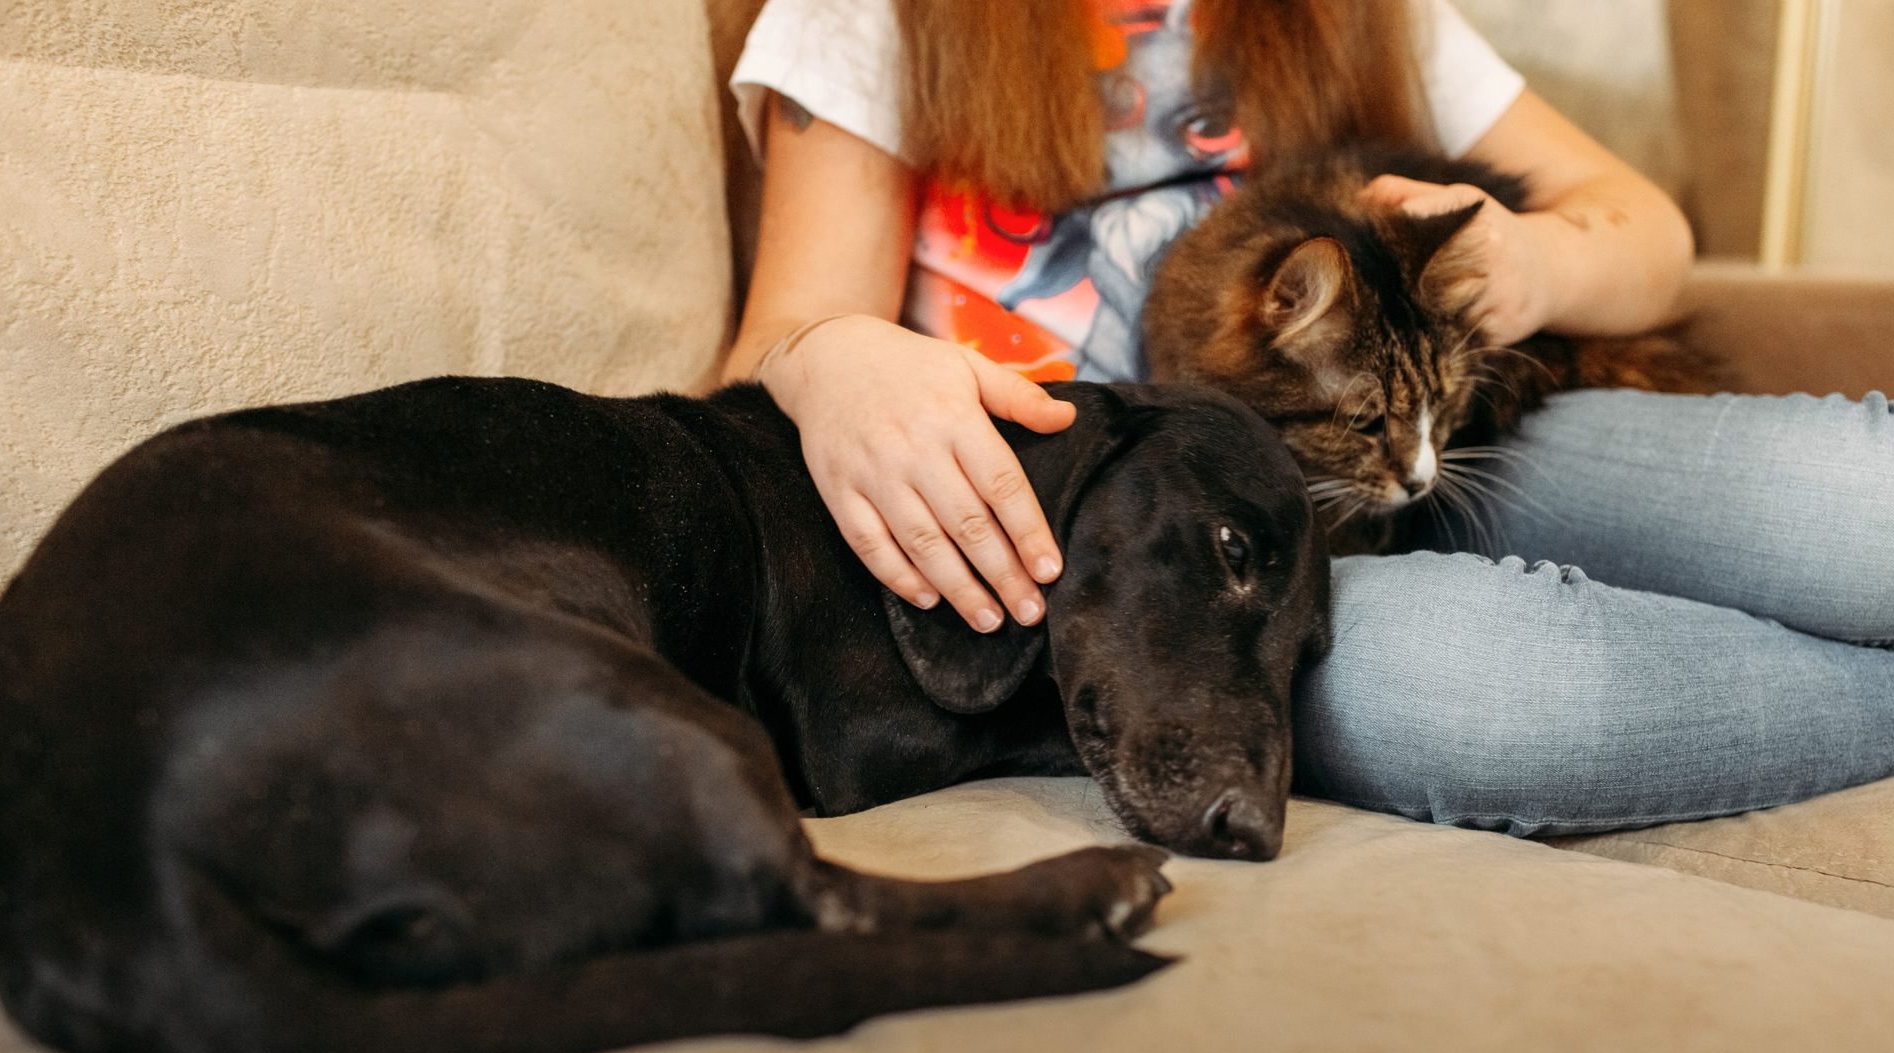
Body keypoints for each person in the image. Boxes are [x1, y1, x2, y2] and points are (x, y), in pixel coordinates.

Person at [723, 0, 1894, 837]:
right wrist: (830, 359)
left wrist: (1531, 260)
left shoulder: (1366, 12)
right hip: (1186, 549)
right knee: (1500, 696)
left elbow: (1649, 231)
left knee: (1860, 506)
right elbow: (777, 336)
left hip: (1449, 431)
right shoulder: (868, 16)